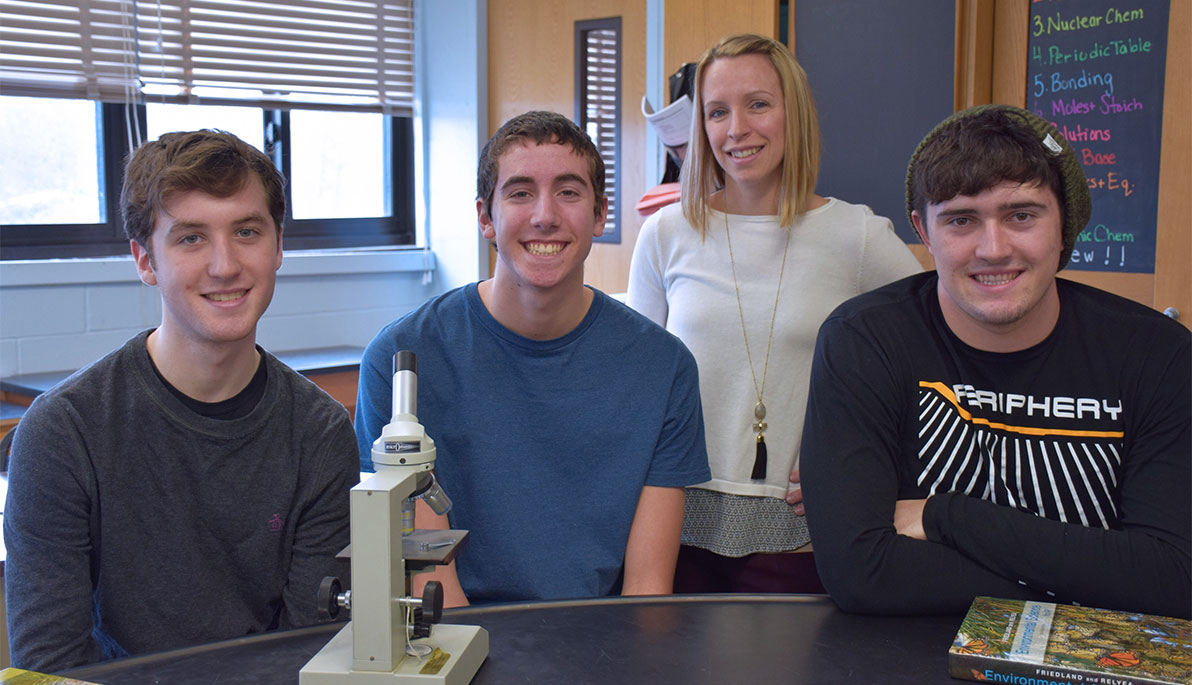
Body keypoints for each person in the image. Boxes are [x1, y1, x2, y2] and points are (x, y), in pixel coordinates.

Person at [800, 105, 1191, 618]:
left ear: (1064, 222)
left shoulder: (1157, 355)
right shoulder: (863, 342)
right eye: (961, 220)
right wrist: (1103, 578)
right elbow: (861, 574)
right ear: (923, 229)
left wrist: (948, 518)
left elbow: (1174, 580)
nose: (994, 248)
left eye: (1021, 215)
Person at [4, 130, 360, 671]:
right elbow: (50, 663)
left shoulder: (321, 433)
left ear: (279, 246)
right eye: (191, 238)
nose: (224, 265)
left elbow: (311, 649)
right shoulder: (62, 432)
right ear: (145, 261)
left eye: (246, 231)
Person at [355, 111, 710, 607]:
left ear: (599, 214)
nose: (545, 215)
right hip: (456, 648)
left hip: (603, 648)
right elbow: (435, 592)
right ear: (486, 217)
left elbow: (646, 595)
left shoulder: (663, 368)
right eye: (520, 192)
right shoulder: (401, 365)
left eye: (568, 192)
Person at [626, 33, 921, 593]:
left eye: (758, 104)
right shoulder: (666, 234)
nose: (736, 128)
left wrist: (863, 459)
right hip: (674, 527)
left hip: (802, 535)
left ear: (795, 113)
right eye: (718, 111)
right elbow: (636, 388)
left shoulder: (856, 235)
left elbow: (933, 356)